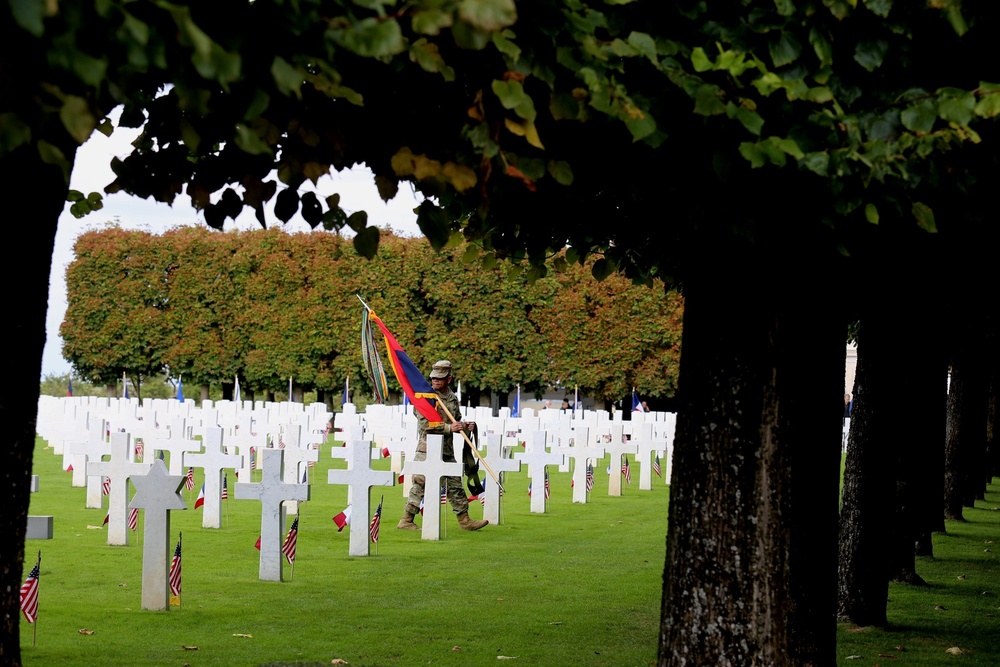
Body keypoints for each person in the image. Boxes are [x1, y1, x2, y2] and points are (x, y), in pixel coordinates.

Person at [397, 360, 488, 531]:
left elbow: (456, 419)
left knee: (455, 484)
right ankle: (406, 520)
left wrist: (465, 425)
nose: (435, 381)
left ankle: (465, 520)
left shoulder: (452, 398)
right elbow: (425, 425)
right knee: (420, 484)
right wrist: (449, 428)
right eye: (433, 378)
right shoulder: (425, 397)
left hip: (446, 450)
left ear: (449, 379)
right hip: (427, 449)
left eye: (440, 378)